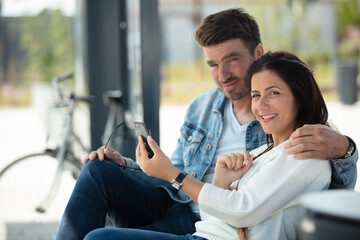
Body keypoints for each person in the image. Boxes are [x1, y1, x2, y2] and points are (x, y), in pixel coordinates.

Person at [56, 8, 357, 240]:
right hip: (182, 202)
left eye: (232, 60)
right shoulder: (202, 106)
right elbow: (171, 174)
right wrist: (125, 164)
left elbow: (331, 185)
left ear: (258, 53)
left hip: (212, 220)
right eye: (213, 64)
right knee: (97, 171)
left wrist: (345, 148)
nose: (222, 74)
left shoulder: (282, 124)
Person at [83, 51, 333, 240]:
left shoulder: (306, 153)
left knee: (100, 238)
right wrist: (221, 182)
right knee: (96, 172)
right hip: (200, 234)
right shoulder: (263, 152)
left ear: (300, 97)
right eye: (256, 95)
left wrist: (173, 174)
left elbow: (242, 210)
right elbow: (215, 218)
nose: (261, 105)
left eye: (274, 93)